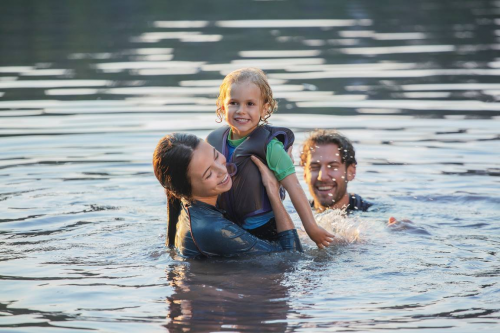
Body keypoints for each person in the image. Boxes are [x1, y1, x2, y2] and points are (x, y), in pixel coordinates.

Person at [207, 67, 334, 249]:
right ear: (222, 106)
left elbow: (294, 188)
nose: (241, 111)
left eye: (250, 104)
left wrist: (311, 227)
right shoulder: (212, 143)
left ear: (264, 108)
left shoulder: (270, 147)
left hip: (265, 230)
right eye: (234, 103)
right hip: (227, 227)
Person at [152, 132, 303, 258]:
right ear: (184, 189)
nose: (222, 170)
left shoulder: (188, 200)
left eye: (216, 156)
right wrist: (274, 191)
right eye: (209, 173)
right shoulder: (211, 228)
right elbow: (292, 257)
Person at [300, 129, 372, 213]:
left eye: (333, 166)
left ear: (350, 172)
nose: (322, 177)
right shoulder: (293, 212)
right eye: (314, 167)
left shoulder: (377, 215)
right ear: (305, 174)